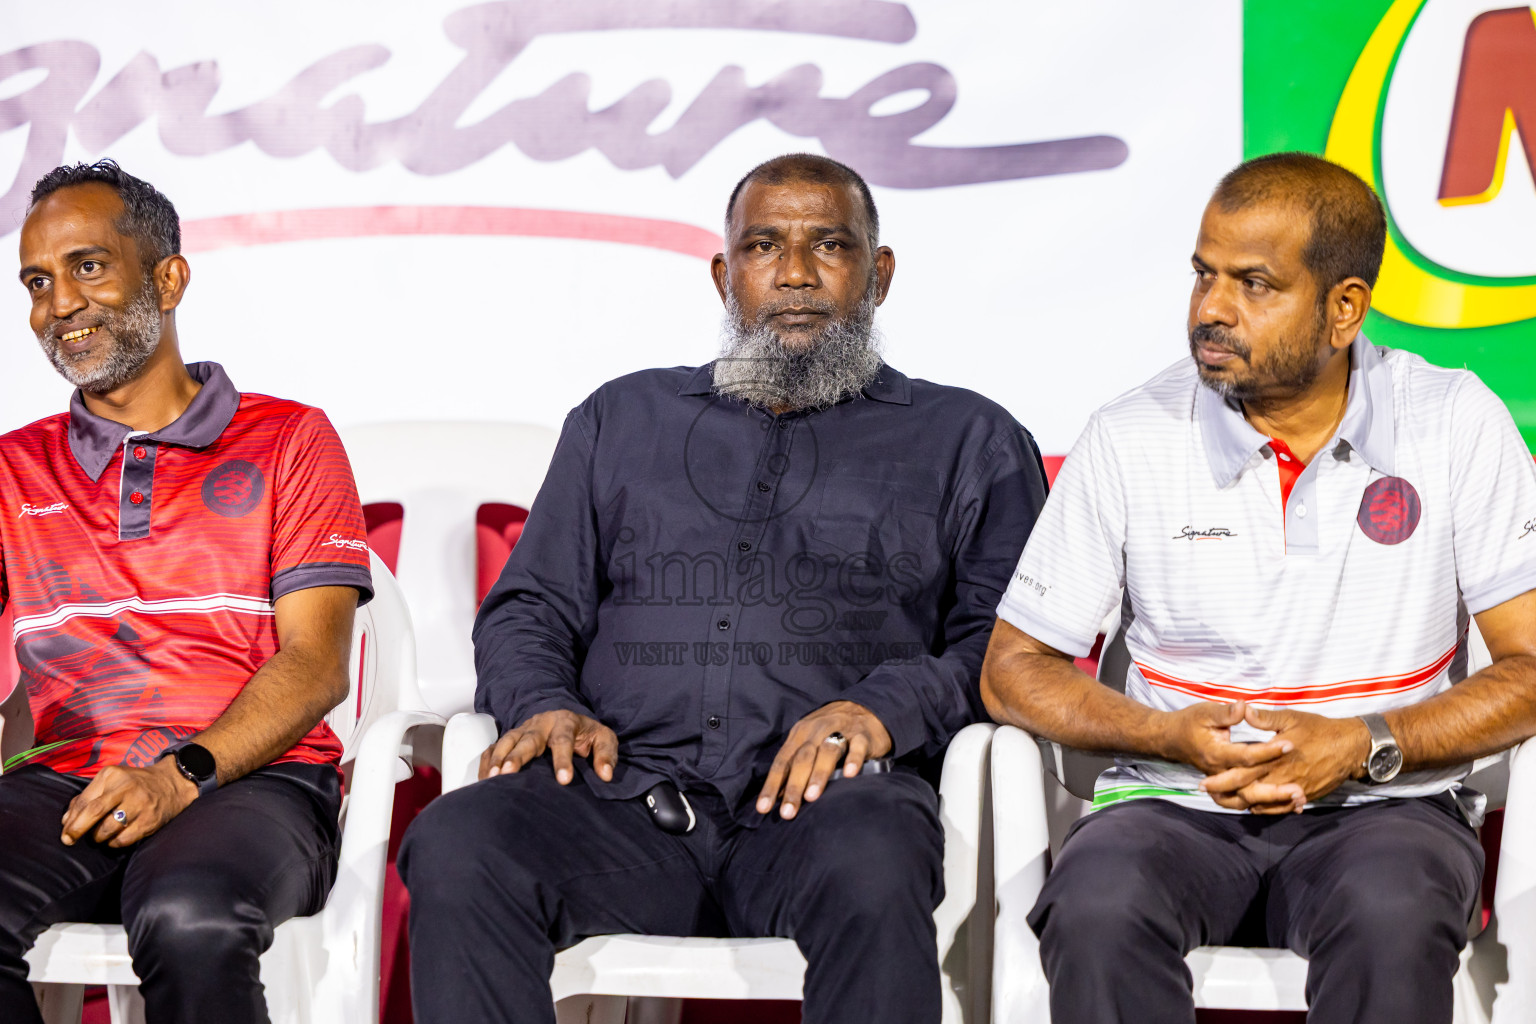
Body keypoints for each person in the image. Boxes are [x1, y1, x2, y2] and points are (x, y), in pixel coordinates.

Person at [399, 153, 1049, 1024]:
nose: (794, 273)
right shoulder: (621, 419)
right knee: (460, 839)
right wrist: (544, 704)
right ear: (724, 274)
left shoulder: (970, 437)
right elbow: (531, 606)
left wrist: (882, 710)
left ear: (879, 274)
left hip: (830, 811)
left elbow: (1005, 644)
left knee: (876, 854)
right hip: (622, 801)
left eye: (830, 245)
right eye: (762, 245)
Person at [980, 151, 1536, 1024]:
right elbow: (1014, 666)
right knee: (1095, 905)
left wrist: (1361, 742)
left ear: (1344, 308)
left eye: (1254, 284)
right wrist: (1164, 736)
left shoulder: (1454, 420)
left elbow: (1531, 667)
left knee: (1392, 913)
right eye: (1203, 274)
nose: (1211, 310)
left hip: (1386, 806)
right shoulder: (1130, 435)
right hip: (1173, 804)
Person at [0, 160, 373, 1024]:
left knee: (188, 918)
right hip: (67, 783)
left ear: (167, 278)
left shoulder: (290, 438)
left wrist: (180, 775)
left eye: (87, 266)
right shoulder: (14, 466)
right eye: (37, 281)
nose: (59, 304)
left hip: (253, 781)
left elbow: (316, 666)